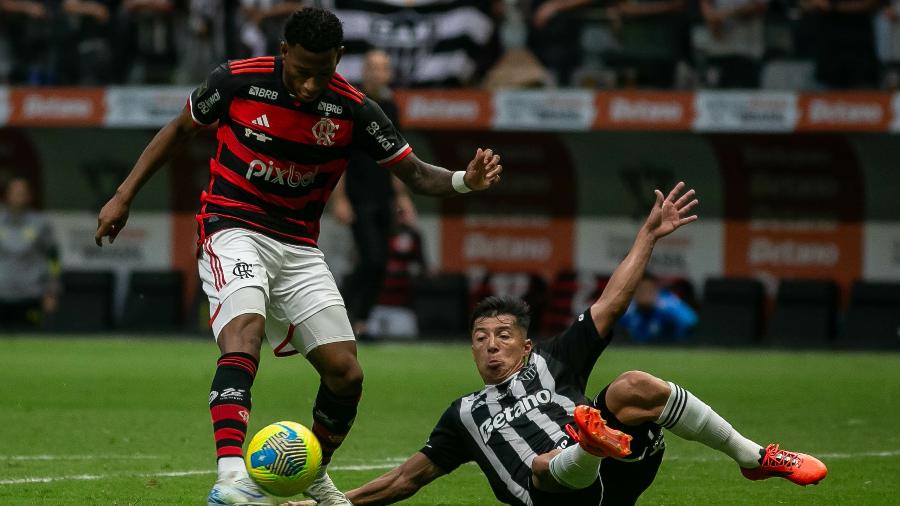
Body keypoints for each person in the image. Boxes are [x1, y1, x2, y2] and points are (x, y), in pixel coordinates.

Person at [93, 7, 503, 506]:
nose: (311, 85)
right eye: (302, 70)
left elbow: (415, 173)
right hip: (232, 227)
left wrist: (466, 181)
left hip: (298, 247)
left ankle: (312, 473)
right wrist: (123, 195)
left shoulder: (353, 109)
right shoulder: (236, 83)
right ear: (283, 51)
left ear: (340, 59)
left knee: (345, 372)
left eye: (324, 71)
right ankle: (229, 478)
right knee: (243, 334)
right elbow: (179, 131)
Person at [283, 182, 827, 506]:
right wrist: (337, 502)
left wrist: (648, 235)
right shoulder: (463, 415)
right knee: (545, 463)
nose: (490, 346)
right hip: (552, 497)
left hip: (615, 479)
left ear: (525, 346)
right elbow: (407, 479)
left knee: (634, 385)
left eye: (502, 336)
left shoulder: (556, 359)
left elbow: (612, 301)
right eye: (480, 338)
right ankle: (586, 446)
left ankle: (754, 456)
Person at [330, 49, 417, 339]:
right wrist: (339, 198)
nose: (377, 72)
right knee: (372, 259)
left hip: (384, 197)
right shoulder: (353, 103)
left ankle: (361, 322)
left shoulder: (391, 106)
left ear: (389, 73)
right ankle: (335, 309)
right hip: (358, 194)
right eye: (372, 66)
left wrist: (402, 196)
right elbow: (339, 155)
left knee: (380, 264)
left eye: (383, 67)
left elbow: (396, 155)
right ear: (364, 70)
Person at [0, 176, 60, 331]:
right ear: (7, 194)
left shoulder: (40, 224)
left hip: (31, 295)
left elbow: (54, 258)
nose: (18, 196)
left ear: (29, 196)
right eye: (15, 192)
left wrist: (51, 291)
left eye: (22, 192)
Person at [618, 273, 698, 343]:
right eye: (641, 291)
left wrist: (664, 309)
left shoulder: (667, 303)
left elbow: (691, 320)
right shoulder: (627, 309)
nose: (645, 295)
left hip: (669, 347)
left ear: (656, 290)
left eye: (649, 291)